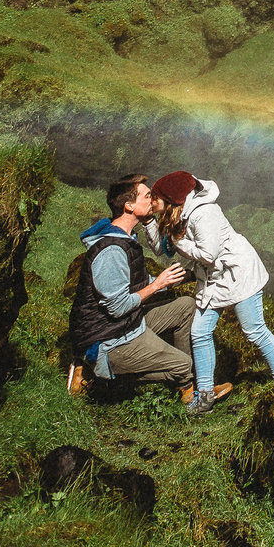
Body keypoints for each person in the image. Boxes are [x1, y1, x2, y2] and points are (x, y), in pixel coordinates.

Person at [66, 174, 210, 406]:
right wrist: (157, 285)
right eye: (147, 195)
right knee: (183, 363)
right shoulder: (111, 250)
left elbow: (133, 285)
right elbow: (117, 307)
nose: (153, 199)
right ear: (129, 206)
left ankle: (187, 380)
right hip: (106, 339)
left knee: (186, 307)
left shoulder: (126, 238)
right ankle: (96, 375)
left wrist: (184, 277)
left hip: (125, 324)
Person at [150, 169, 274, 402]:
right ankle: (205, 395)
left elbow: (208, 253)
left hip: (239, 275)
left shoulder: (204, 213)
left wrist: (179, 242)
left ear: (172, 198)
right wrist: (148, 223)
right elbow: (162, 249)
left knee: (254, 331)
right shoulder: (179, 216)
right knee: (199, 332)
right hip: (215, 280)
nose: (152, 201)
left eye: (156, 196)